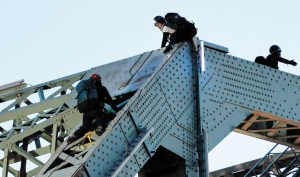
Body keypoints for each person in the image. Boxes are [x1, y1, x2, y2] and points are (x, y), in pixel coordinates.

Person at [67, 74, 119, 144]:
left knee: (85, 127)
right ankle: (100, 128)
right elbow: (109, 101)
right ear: (99, 80)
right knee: (100, 120)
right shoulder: (102, 89)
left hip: (86, 112)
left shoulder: (86, 90)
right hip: (96, 110)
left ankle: (73, 136)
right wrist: (117, 110)